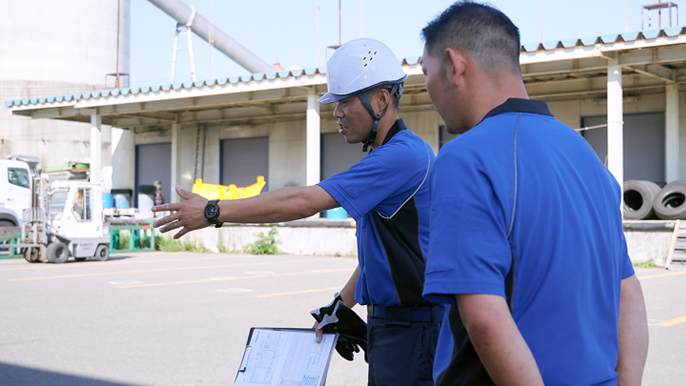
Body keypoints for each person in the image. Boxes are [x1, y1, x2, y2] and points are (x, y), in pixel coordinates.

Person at [152, 38, 442, 386]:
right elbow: (378, 256)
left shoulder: (402, 156)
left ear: (380, 99)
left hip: (412, 328)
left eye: (345, 101)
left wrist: (214, 211)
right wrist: (340, 306)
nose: (336, 112)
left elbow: (304, 201)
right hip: (396, 326)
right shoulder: (390, 159)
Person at [419, 2, 649, 385]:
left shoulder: (465, 159)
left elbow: (486, 318)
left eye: (426, 72)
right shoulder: (587, 159)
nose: (426, 88)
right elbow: (629, 295)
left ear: (454, 65)